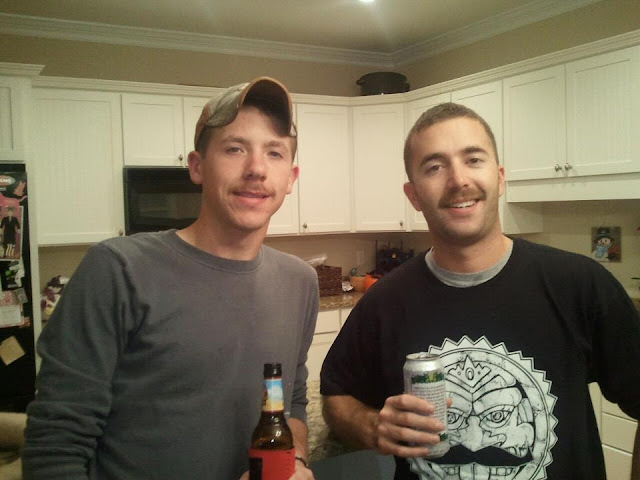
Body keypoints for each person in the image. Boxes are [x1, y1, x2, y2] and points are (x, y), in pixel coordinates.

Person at [320, 102, 640, 479]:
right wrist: (372, 426)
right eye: (435, 167)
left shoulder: (580, 286)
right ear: (413, 195)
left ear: (500, 178)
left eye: (473, 159)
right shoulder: (384, 302)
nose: (458, 180)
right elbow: (337, 397)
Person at [22, 77, 318, 480]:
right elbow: (56, 447)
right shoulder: (117, 270)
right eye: (234, 148)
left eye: (274, 152)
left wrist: (294, 462)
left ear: (291, 177)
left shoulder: (300, 282)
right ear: (197, 167)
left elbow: (292, 401)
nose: (256, 169)